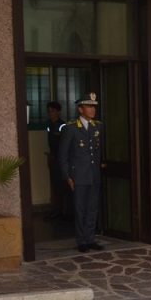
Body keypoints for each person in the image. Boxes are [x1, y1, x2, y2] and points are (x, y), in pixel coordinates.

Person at [57, 93, 105, 253]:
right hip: (78, 176)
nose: (92, 110)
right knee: (80, 208)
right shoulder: (71, 128)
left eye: (94, 107)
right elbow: (63, 155)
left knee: (92, 207)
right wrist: (67, 176)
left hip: (94, 175)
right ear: (80, 109)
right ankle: (81, 240)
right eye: (89, 106)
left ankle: (90, 238)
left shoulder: (97, 126)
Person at [44, 101, 68, 219]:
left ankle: (64, 211)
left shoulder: (62, 125)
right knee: (55, 184)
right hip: (53, 158)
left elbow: (64, 144)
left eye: (53, 111)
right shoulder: (49, 125)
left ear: (58, 112)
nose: (50, 114)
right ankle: (56, 209)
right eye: (49, 111)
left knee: (62, 185)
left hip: (61, 159)